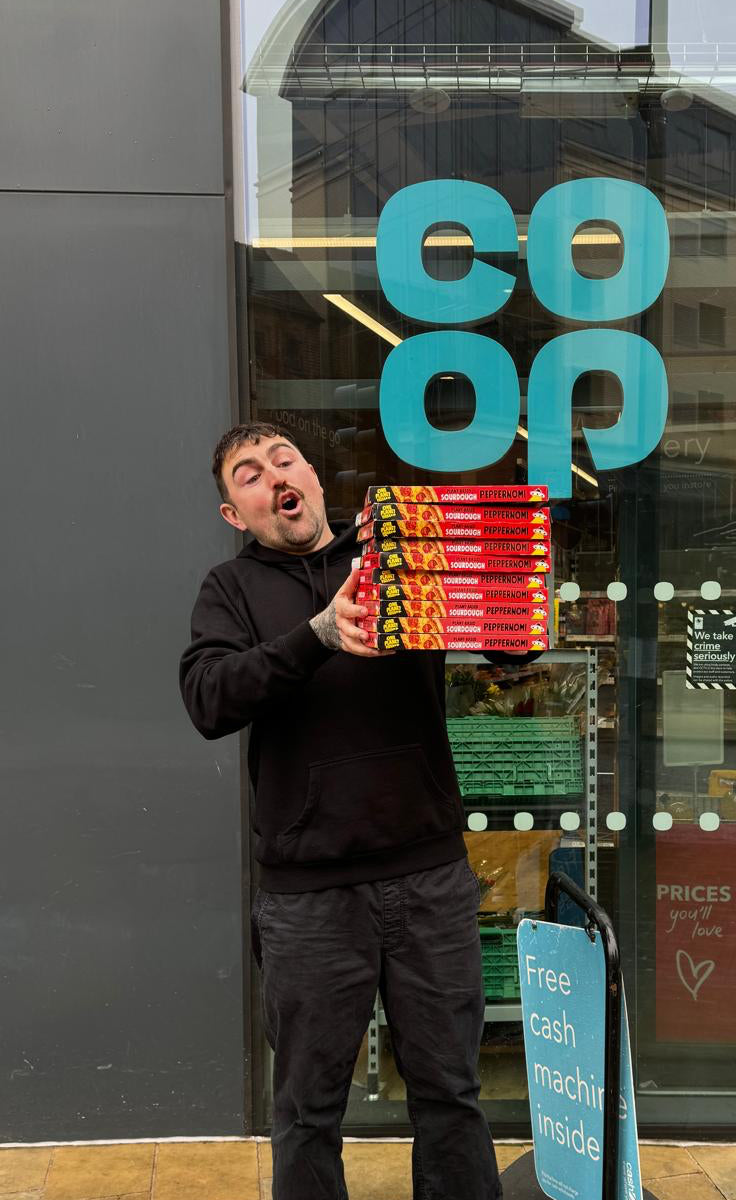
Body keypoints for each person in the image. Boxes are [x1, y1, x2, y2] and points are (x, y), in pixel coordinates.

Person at [179, 422, 517, 1200]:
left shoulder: (398, 562)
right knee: (306, 1109)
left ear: (315, 477)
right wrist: (318, 636)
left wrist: (508, 589)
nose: (273, 477)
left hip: (429, 877)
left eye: (283, 460)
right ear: (237, 514)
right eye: (249, 475)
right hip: (309, 900)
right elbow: (207, 698)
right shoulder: (229, 591)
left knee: (451, 1097)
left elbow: (504, 641)